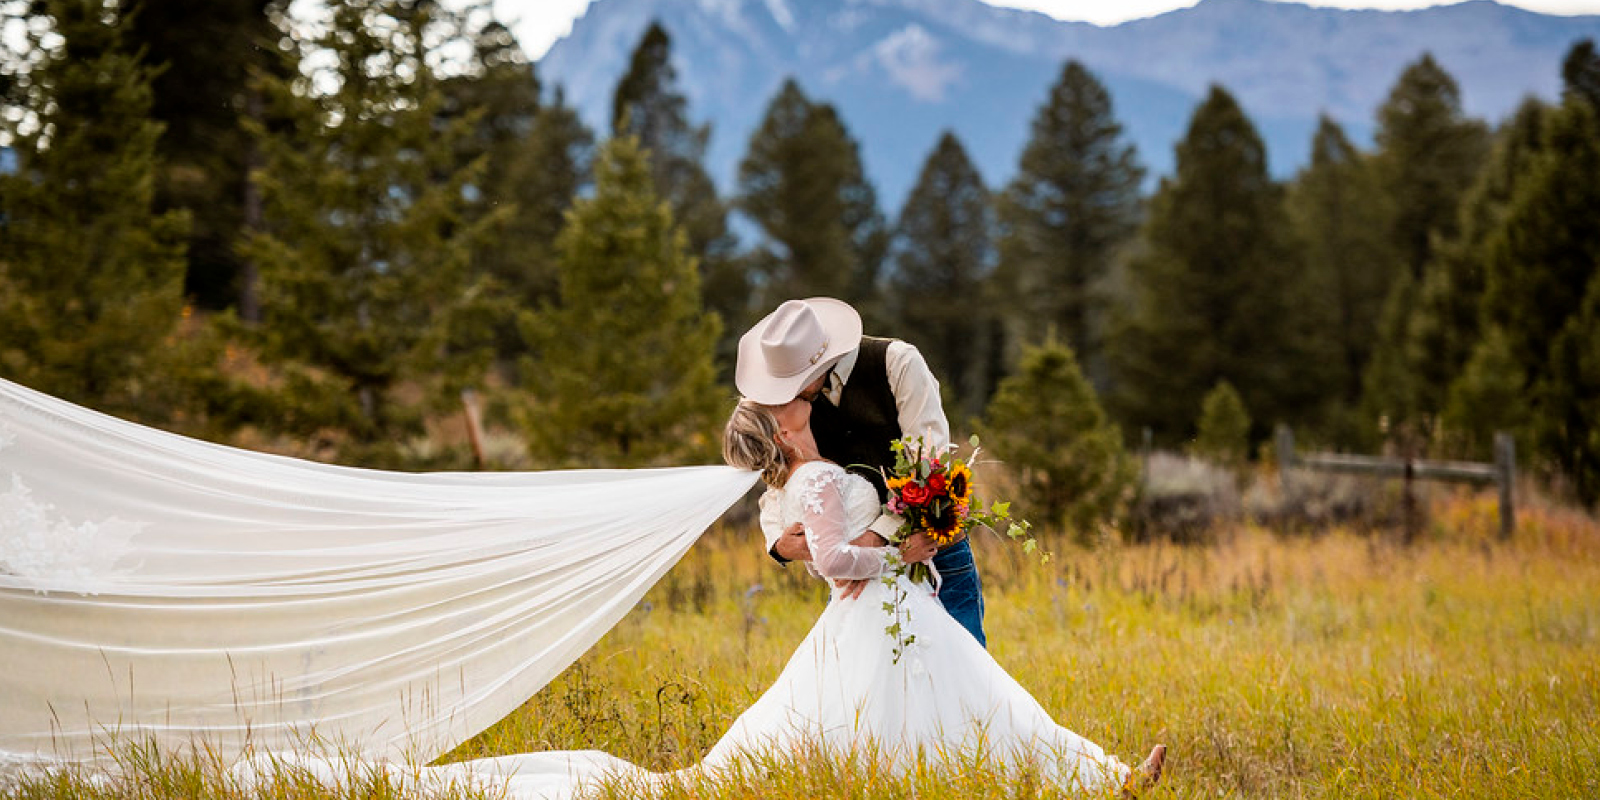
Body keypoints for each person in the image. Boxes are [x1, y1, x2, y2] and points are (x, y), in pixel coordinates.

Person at [714, 398, 1165, 795]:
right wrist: (899, 554)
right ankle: (1105, 781)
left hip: (883, 604)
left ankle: (1106, 778)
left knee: (963, 701)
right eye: (774, 405)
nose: (786, 396)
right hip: (881, 601)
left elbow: (822, 554)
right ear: (782, 432)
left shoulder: (804, 477)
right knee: (981, 699)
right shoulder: (814, 477)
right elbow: (830, 561)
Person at [735, 297, 990, 646]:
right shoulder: (791, 406)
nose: (783, 392)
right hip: (858, 577)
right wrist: (777, 545)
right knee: (866, 689)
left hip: (933, 553)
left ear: (817, 362)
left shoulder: (897, 363)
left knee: (963, 671)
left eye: (791, 381)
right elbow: (773, 479)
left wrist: (877, 537)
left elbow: (929, 462)